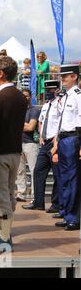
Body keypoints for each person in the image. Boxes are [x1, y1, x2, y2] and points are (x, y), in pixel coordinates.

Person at [0, 57, 27, 252]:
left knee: (0, 196)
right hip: (15, 152)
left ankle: (4, 237)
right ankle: (5, 233)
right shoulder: (20, 96)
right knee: (8, 194)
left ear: (1, 73)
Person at [23, 80, 61, 212]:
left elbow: (61, 124)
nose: (48, 93)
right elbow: (41, 121)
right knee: (38, 171)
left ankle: (56, 204)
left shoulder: (60, 104)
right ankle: (38, 202)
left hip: (55, 142)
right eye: (46, 91)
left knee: (57, 175)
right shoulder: (45, 105)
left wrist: (56, 141)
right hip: (44, 142)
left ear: (57, 90)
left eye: (50, 90)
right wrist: (40, 136)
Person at [52, 64, 81, 231]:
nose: (62, 79)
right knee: (63, 178)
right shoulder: (66, 96)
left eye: (66, 76)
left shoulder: (77, 95)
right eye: (62, 76)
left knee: (71, 179)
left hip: (73, 139)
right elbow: (61, 122)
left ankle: (73, 217)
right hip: (63, 139)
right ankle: (65, 212)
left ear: (75, 77)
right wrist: (56, 142)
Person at [15, 89, 40, 202]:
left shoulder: (34, 109)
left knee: (34, 169)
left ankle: (36, 194)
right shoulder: (18, 110)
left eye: (27, 96)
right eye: (22, 96)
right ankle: (21, 193)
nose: (25, 98)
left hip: (30, 143)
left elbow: (30, 127)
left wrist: (17, 123)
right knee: (20, 170)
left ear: (30, 97)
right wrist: (24, 124)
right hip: (18, 143)